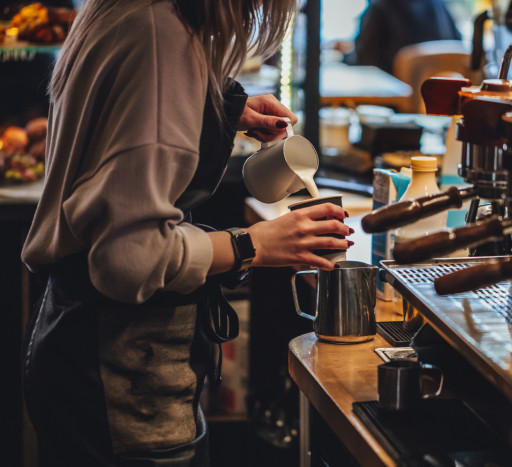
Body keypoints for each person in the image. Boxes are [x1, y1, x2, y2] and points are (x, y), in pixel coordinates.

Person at [20, 0, 352, 465]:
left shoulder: (133, 11)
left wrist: (218, 105)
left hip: (73, 342)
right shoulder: (163, 35)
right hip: (118, 374)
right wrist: (253, 244)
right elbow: (130, 258)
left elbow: (124, 120)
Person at [343, 0, 462, 74]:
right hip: (442, 99)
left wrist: (344, 55)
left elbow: (364, 59)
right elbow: (457, 45)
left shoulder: (380, 6)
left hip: (397, 103)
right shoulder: (439, 5)